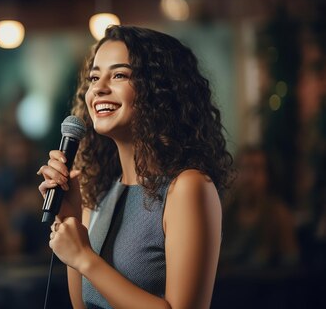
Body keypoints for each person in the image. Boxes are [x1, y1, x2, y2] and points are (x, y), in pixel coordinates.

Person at [37, 25, 233, 309]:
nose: (99, 88)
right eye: (94, 77)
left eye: (119, 75)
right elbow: (85, 305)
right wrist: (73, 218)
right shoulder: (98, 191)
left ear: (159, 91)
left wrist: (85, 258)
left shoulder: (188, 188)